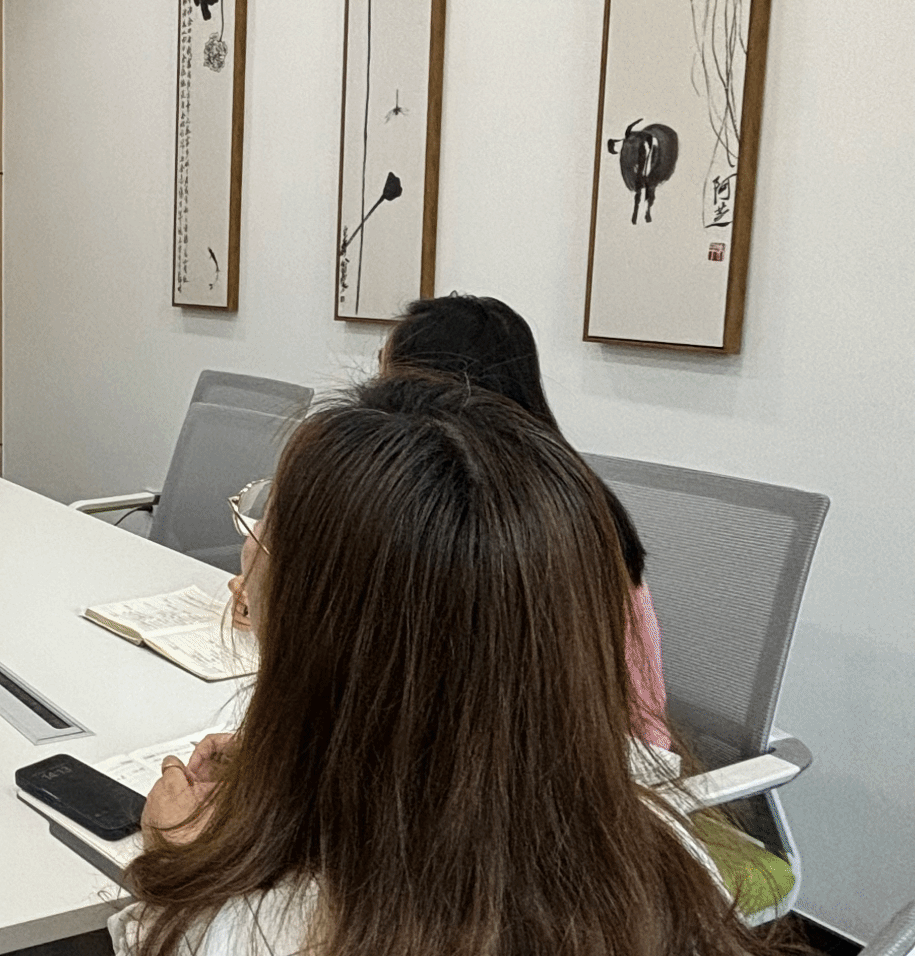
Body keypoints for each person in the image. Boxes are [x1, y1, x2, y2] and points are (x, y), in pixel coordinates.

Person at [114, 374, 792, 956]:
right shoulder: (668, 865)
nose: (250, 547)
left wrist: (174, 859)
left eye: (268, 526)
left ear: (320, 630)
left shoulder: (247, 927)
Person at [380, 292, 670, 748]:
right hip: (589, 750)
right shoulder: (572, 492)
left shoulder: (473, 524)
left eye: (384, 371)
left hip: (566, 760)